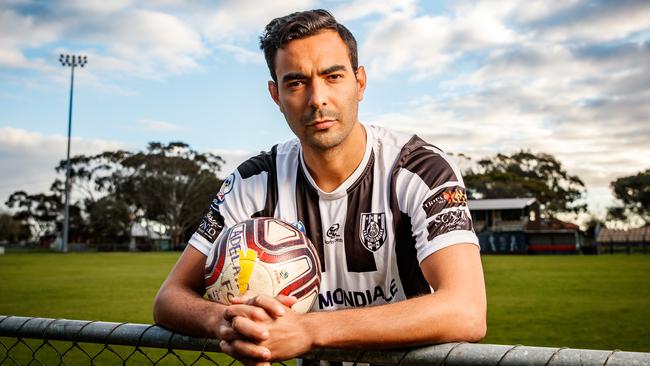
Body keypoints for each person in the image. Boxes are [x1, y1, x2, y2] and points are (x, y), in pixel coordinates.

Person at [153, 9, 486, 365]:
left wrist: (309, 330)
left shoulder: (419, 170)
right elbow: (169, 298)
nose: (317, 99)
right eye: (296, 83)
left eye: (333, 76)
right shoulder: (254, 183)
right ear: (275, 95)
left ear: (360, 83)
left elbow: (466, 309)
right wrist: (227, 322)